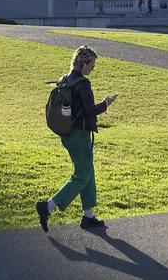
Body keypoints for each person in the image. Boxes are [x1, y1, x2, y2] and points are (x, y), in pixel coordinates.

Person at [36, 46, 118, 232]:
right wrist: (106, 103)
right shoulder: (83, 84)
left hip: (67, 133)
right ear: (84, 64)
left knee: (87, 171)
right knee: (81, 175)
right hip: (80, 135)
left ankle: (88, 215)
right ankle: (48, 206)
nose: (93, 68)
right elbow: (90, 111)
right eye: (92, 65)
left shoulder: (65, 79)